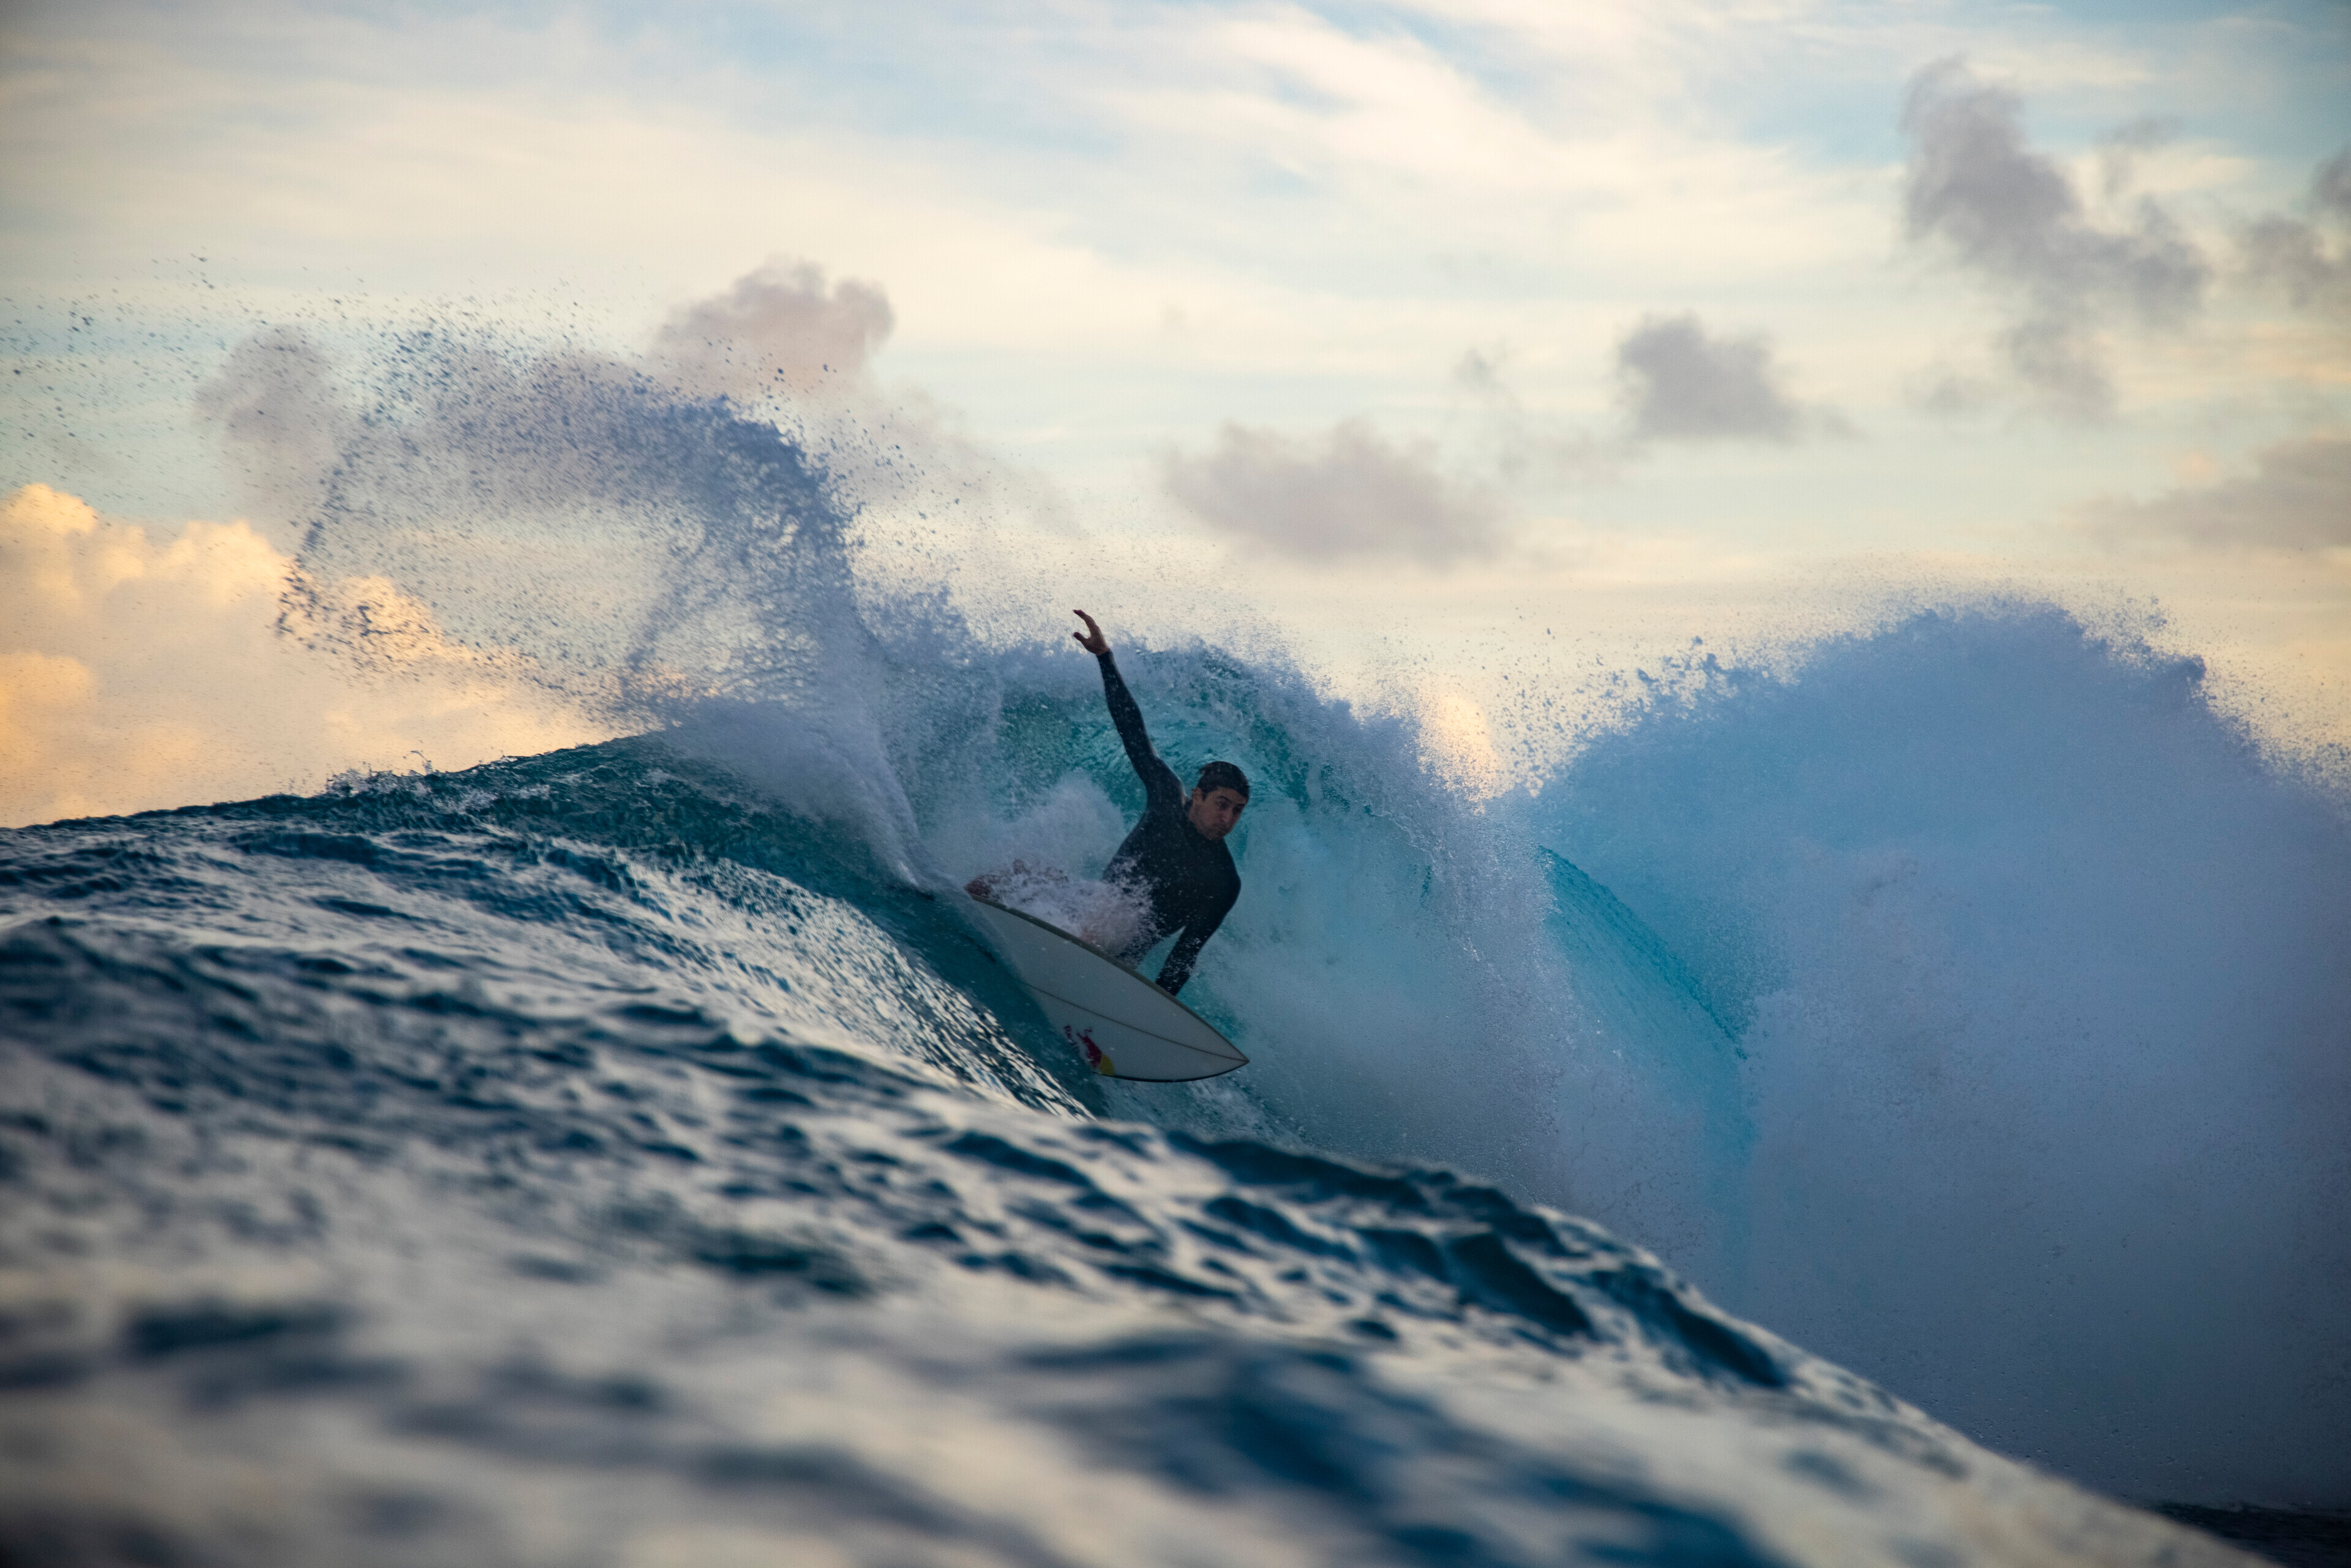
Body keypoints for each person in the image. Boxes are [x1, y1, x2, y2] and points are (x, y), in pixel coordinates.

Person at [1069, 609, 1246, 996]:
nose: (1228, 818)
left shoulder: (1223, 881)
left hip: (1115, 953)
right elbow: (1132, 729)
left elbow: (1184, 956)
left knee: (1100, 923)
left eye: (1237, 811)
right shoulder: (1167, 796)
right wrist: (1105, 659)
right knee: (1002, 879)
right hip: (1087, 915)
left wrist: (1153, 1022)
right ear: (1197, 796)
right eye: (1222, 804)